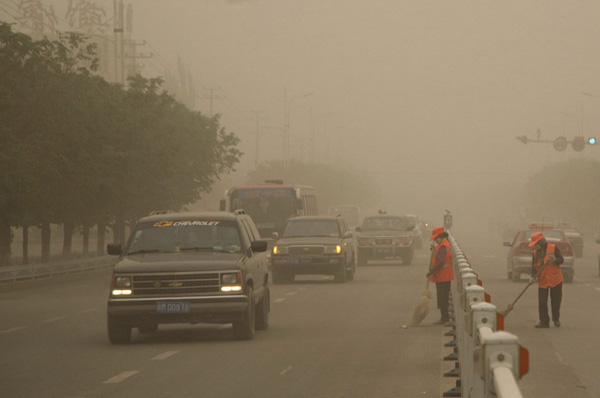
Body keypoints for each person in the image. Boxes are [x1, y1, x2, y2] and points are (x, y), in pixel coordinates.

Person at [529, 232, 564, 328]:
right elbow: (533, 267)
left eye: (536, 244)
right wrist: (532, 276)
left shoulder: (553, 248)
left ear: (541, 242)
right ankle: (544, 321)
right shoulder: (535, 253)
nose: (535, 246)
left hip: (555, 278)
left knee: (556, 300)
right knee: (542, 302)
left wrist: (555, 260)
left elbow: (561, 260)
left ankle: (556, 319)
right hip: (543, 279)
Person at [426, 227, 454, 325]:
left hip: (442, 276)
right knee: (443, 297)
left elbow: (441, 262)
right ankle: (444, 317)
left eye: (435, 238)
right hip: (445, 275)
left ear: (440, 237)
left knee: (442, 297)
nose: (435, 240)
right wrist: (434, 250)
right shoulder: (445, 244)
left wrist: (431, 270)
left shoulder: (442, 246)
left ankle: (444, 318)